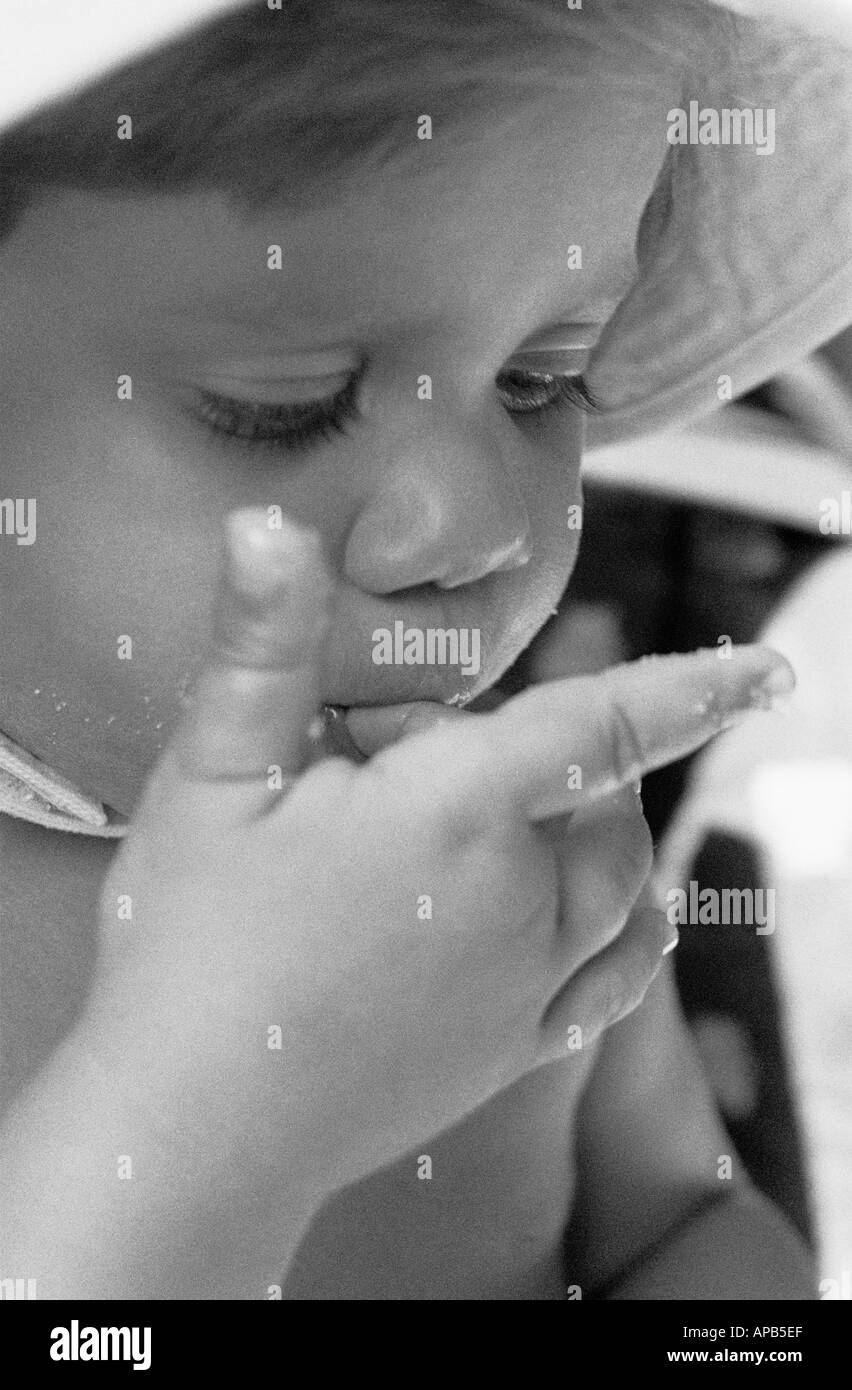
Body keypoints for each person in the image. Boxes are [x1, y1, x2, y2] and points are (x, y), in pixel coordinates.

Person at [1, 0, 848, 1299]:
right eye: (281, 404)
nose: (482, 522)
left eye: (541, 380)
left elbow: (681, 1216)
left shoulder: (513, 834)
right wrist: (217, 1130)